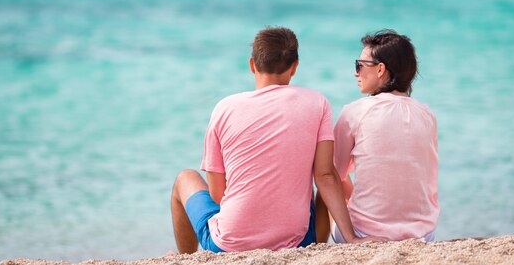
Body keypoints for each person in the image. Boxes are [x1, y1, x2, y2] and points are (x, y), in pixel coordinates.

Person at [170, 26, 366, 253]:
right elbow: (325, 176)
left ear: (252, 65)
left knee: (185, 178)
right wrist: (350, 237)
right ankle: (316, 247)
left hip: (229, 245)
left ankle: (187, 257)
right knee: (323, 178)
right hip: (299, 242)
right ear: (294, 68)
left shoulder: (225, 108)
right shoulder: (317, 102)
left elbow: (217, 195)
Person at [316, 29, 439, 243]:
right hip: (424, 235)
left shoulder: (355, 112)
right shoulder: (427, 115)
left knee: (325, 180)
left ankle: (319, 246)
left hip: (366, 234)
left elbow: (332, 175)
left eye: (360, 65)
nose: (356, 73)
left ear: (380, 69)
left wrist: (353, 234)